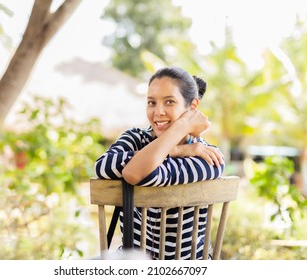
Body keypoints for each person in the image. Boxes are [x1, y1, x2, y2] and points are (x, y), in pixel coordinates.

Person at [94, 66, 225, 260]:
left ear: (192, 107)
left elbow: (136, 173)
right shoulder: (134, 137)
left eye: (170, 102)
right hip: (134, 266)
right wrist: (178, 149)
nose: (158, 112)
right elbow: (102, 166)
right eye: (151, 103)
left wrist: (181, 127)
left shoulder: (207, 156)